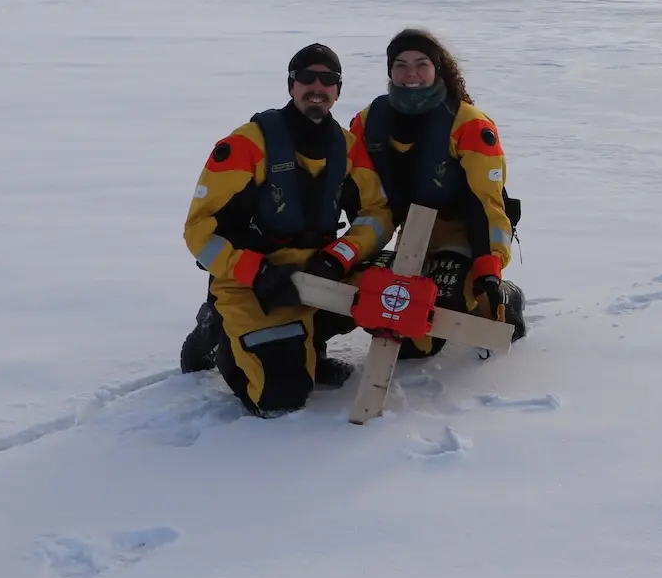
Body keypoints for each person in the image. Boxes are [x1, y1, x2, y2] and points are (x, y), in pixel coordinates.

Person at [178, 44, 392, 416]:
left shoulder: (347, 147)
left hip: (317, 271)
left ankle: (307, 348)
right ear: (291, 85)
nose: (317, 87)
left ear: (337, 91)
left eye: (328, 80)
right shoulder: (246, 144)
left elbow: (378, 214)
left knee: (392, 296)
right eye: (307, 77)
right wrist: (254, 271)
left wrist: (339, 258)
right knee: (281, 396)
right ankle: (217, 333)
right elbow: (198, 230)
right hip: (253, 278)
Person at [349, 28, 525, 356]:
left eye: (421, 63)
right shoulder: (367, 122)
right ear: (389, 71)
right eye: (400, 64)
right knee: (399, 323)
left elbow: (488, 204)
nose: (410, 73)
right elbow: (363, 196)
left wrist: (489, 265)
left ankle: (502, 296)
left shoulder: (469, 124)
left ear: (437, 68)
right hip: (412, 231)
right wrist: (351, 249)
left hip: (466, 230)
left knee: (449, 303)